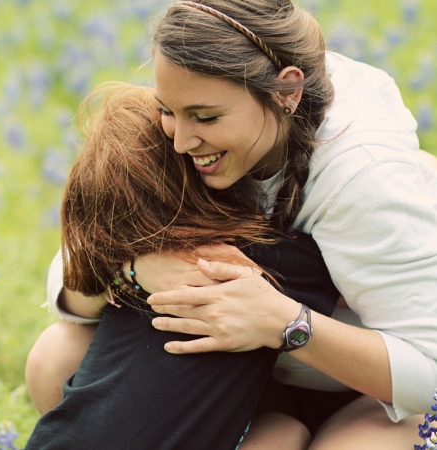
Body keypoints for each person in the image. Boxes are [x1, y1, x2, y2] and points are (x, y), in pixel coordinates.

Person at [26, 0, 437, 448]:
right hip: (251, 378)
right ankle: (272, 428)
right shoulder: (190, 123)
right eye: (166, 109)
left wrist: (282, 321)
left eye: (205, 117)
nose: (182, 141)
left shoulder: (363, 175)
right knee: (55, 357)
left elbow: (430, 374)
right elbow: (69, 272)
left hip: (368, 391)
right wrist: (134, 270)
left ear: (287, 93)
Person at [25, 82, 340, 450]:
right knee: (285, 431)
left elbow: (79, 264)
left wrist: (130, 268)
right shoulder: (264, 260)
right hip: (321, 388)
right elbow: (288, 430)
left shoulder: (141, 262)